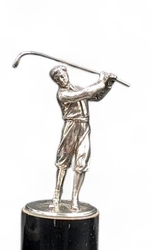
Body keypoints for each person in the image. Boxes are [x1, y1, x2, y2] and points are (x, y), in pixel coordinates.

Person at [49, 65, 116, 210]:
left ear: (67, 74)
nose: (62, 79)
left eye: (62, 76)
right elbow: (86, 93)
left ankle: (75, 198)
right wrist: (101, 81)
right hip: (71, 127)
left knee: (82, 162)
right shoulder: (62, 94)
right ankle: (56, 196)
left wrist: (108, 84)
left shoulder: (77, 88)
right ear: (56, 81)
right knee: (63, 161)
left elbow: (96, 96)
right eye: (58, 79)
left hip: (84, 127)